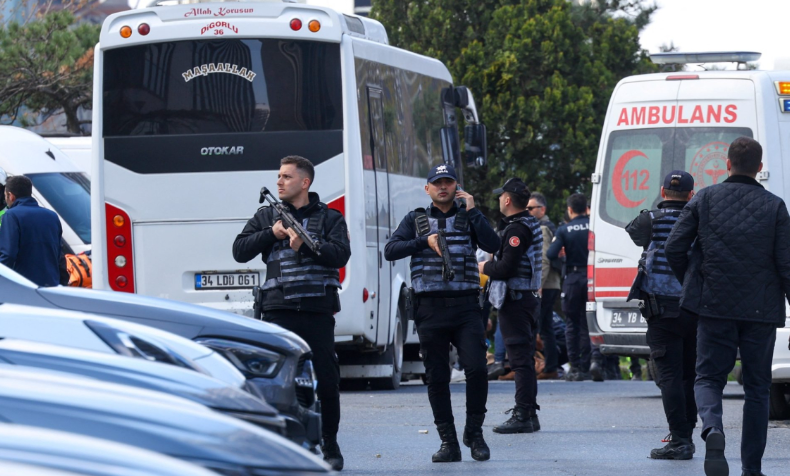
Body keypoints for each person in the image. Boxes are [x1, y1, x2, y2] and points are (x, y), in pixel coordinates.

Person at [665, 137, 790, 476]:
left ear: (727, 164)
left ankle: (713, 429)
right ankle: (752, 468)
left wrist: (694, 282)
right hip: (761, 312)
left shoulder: (705, 198)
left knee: (708, 378)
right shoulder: (775, 206)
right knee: (758, 390)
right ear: (759, 168)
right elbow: (786, 265)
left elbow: (674, 247)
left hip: (713, 306)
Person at [232, 156, 351, 471]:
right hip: (279, 310)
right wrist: (272, 234)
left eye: (286, 176)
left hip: (317, 311)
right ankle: (282, 445)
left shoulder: (330, 217)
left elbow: (340, 255)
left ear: (304, 182)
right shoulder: (267, 216)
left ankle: (330, 444)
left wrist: (306, 247)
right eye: (279, 176)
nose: (279, 182)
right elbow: (239, 250)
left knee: (327, 380)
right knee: (277, 382)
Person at [385, 163, 499, 463]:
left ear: (456, 186)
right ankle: (449, 442)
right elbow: (391, 250)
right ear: (428, 189)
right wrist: (424, 241)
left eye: (448, 182)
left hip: (466, 307)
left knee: (477, 369)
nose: (443, 187)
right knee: (437, 377)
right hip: (430, 309)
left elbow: (493, 244)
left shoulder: (469, 217)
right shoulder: (415, 219)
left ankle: (474, 433)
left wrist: (473, 211)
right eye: (437, 183)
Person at [625, 170, 697, 460]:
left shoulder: (649, 220)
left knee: (669, 376)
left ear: (663, 191)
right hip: (694, 309)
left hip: (661, 311)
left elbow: (634, 234)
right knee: (690, 375)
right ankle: (687, 433)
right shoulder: (698, 219)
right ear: (691, 194)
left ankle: (679, 440)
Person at [480, 178, 543, 433]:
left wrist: (483, 266)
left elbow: (506, 268)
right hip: (525, 298)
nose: (498, 200)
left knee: (519, 360)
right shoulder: (527, 223)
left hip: (516, 300)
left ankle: (523, 414)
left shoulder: (517, 230)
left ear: (507, 200)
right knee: (524, 357)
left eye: (500, 196)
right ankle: (529, 412)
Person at [547, 193, 590, 381]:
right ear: (586, 208)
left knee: (572, 324)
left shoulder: (564, 230)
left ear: (570, 210)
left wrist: (564, 256)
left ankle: (575, 367)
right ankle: (589, 366)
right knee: (588, 323)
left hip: (572, 278)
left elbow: (550, 254)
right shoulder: (593, 227)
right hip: (592, 277)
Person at [0, 175, 66, 287]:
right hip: (51, 285)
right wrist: (62, 282)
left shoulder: (11, 216)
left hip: (24, 286)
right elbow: (59, 254)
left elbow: (8, 255)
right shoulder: (52, 216)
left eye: (5, 196)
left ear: (11, 196)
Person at [528, 192, 561, 379]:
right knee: (545, 326)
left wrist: (537, 284)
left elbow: (543, 259)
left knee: (543, 327)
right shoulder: (548, 227)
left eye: (531, 208)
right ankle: (550, 366)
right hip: (551, 283)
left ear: (542, 210)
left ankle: (549, 367)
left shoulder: (542, 229)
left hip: (545, 285)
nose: (528, 211)